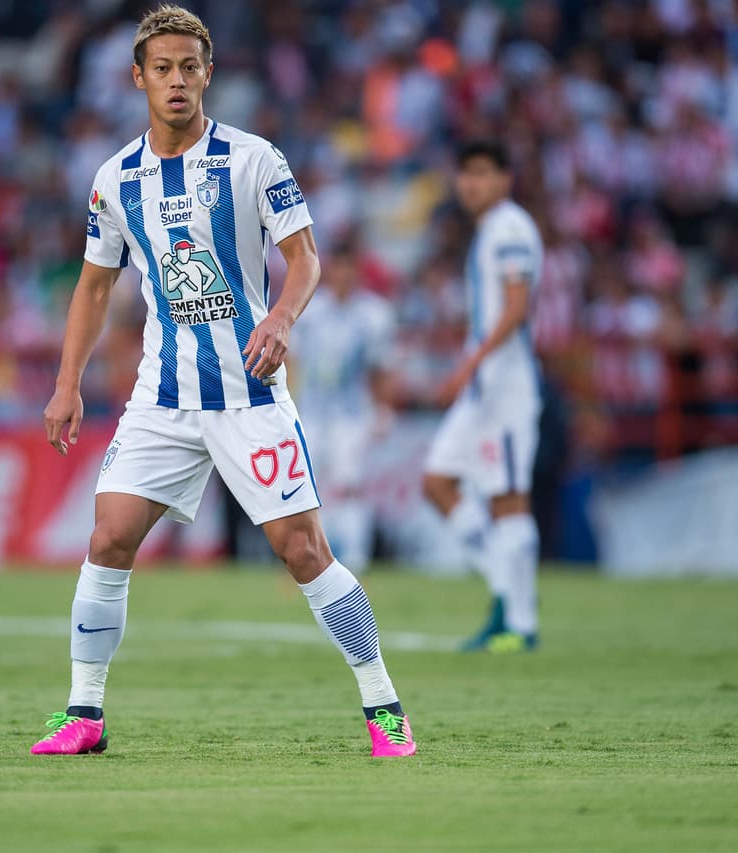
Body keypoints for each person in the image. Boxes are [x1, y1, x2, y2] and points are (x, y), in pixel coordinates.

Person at [33, 5, 415, 759]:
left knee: (304, 552)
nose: (176, 80)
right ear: (138, 78)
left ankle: (386, 708)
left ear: (208, 74)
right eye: (162, 69)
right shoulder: (115, 179)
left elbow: (304, 258)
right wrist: (66, 382)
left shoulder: (253, 159)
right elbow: (94, 287)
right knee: (108, 538)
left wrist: (280, 318)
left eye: (189, 67)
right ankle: (83, 712)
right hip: (162, 398)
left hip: (249, 394)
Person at [422, 140, 544, 653]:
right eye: (465, 173)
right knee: (437, 481)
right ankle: (505, 586)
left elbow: (516, 308)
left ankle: (521, 622)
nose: (472, 183)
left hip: (506, 386)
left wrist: (469, 363)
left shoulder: (510, 227)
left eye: (483, 173)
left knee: (508, 498)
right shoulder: (491, 229)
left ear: (505, 178)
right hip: (483, 388)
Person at [288, 247, 397, 570]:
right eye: (338, 269)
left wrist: (383, 409)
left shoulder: (374, 315)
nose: (343, 277)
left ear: (357, 273)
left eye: (350, 269)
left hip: (351, 412)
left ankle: (354, 557)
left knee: (349, 483)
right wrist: (288, 405)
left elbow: (381, 368)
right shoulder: (309, 309)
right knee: (306, 485)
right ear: (328, 271)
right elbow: (292, 362)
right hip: (312, 410)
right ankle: (310, 556)